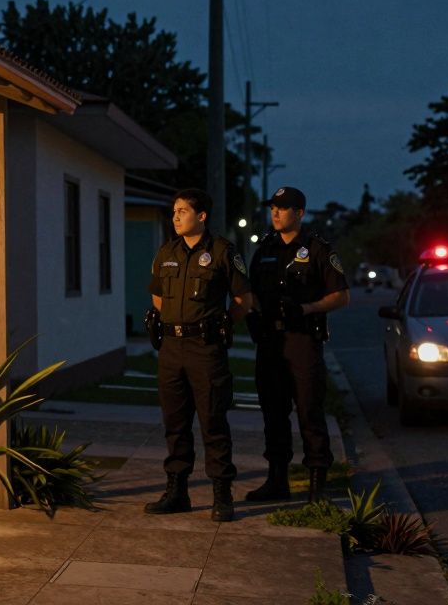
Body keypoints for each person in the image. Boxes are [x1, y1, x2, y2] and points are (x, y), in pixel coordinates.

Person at [143, 189, 253, 522]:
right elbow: (157, 298)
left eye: (182, 211)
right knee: (175, 423)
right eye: (174, 211)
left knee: (212, 421)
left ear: (201, 216)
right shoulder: (166, 252)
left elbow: (243, 301)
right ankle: (177, 492)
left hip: (206, 349)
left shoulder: (222, 252)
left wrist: (217, 326)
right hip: (171, 348)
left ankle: (222, 494)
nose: (175, 217)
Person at [245, 186, 350, 503]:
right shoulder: (264, 249)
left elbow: (341, 296)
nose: (275, 213)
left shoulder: (317, 249)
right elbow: (251, 292)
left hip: (302, 340)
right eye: (273, 208)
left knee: (309, 411)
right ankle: (277, 480)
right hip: (270, 342)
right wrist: (251, 313)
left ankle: (317, 483)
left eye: (283, 208)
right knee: (273, 412)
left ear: (299, 213)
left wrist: (306, 308)